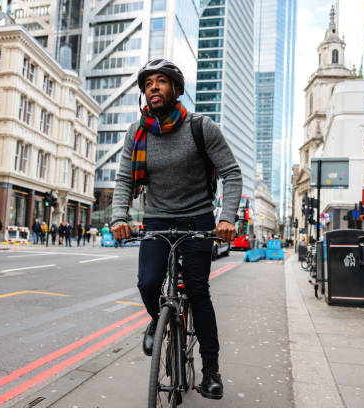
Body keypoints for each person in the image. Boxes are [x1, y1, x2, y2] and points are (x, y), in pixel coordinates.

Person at [111, 58, 241, 400]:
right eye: (148, 83)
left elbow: (231, 172)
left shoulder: (201, 127)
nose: (153, 87)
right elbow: (125, 178)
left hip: (197, 220)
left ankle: (211, 369)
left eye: (161, 81)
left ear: (177, 90)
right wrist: (118, 218)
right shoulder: (136, 133)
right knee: (148, 282)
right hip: (156, 219)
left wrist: (227, 218)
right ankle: (159, 317)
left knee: (197, 292)